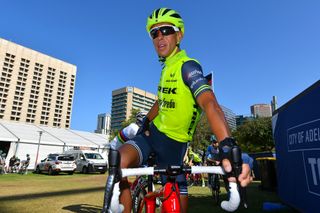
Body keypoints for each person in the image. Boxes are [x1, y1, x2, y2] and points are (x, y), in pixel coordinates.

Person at [116, 8, 252, 213]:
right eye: (154, 33)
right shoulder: (166, 68)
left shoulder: (188, 66)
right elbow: (160, 102)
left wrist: (227, 146)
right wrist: (145, 122)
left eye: (166, 30)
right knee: (118, 163)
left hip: (175, 145)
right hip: (152, 136)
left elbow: (209, 103)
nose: (159, 36)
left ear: (178, 35)